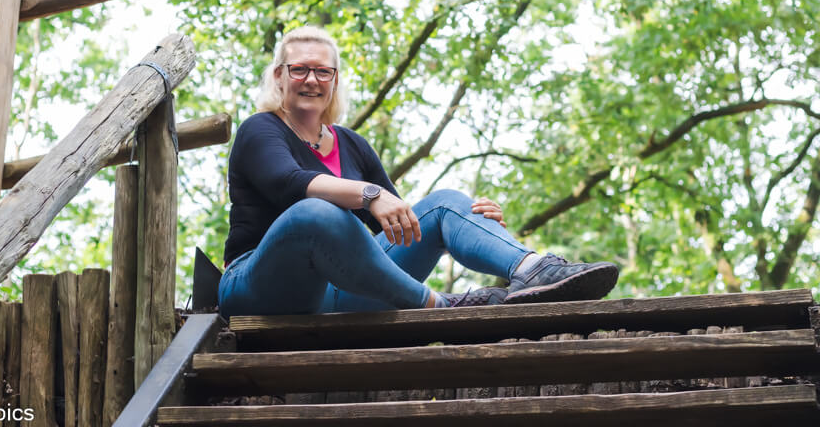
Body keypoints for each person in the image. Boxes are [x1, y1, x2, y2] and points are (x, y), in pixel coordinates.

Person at [217, 26, 618, 318]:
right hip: (260, 286)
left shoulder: (352, 144)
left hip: (339, 293)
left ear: (334, 81)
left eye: (323, 72)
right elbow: (290, 185)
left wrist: (476, 224)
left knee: (446, 205)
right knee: (316, 212)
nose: (311, 80)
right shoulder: (261, 128)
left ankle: (533, 270)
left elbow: (400, 225)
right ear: (279, 76)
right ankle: (440, 306)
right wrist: (369, 195)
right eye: (299, 69)